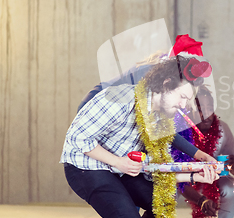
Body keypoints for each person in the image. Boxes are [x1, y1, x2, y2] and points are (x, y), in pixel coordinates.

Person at [60, 55, 219, 218]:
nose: (183, 105)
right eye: (181, 96)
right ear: (166, 84)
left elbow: (157, 169)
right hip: (86, 166)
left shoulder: (161, 118)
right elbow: (76, 138)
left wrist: (195, 175)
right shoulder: (121, 98)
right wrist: (118, 162)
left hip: (120, 170)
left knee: (163, 208)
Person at [76, 34, 215, 164]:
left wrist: (198, 154)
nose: (183, 104)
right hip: (93, 110)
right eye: (183, 96)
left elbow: (164, 128)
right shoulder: (154, 80)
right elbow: (163, 129)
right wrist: (198, 154)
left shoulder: (166, 85)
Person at [180, 85, 234, 218]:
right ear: (191, 110)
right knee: (166, 189)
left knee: (232, 189)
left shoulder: (222, 129)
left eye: (209, 108)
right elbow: (176, 178)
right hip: (183, 178)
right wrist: (200, 200)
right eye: (200, 109)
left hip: (212, 176)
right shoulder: (181, 130)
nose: (205, 114)